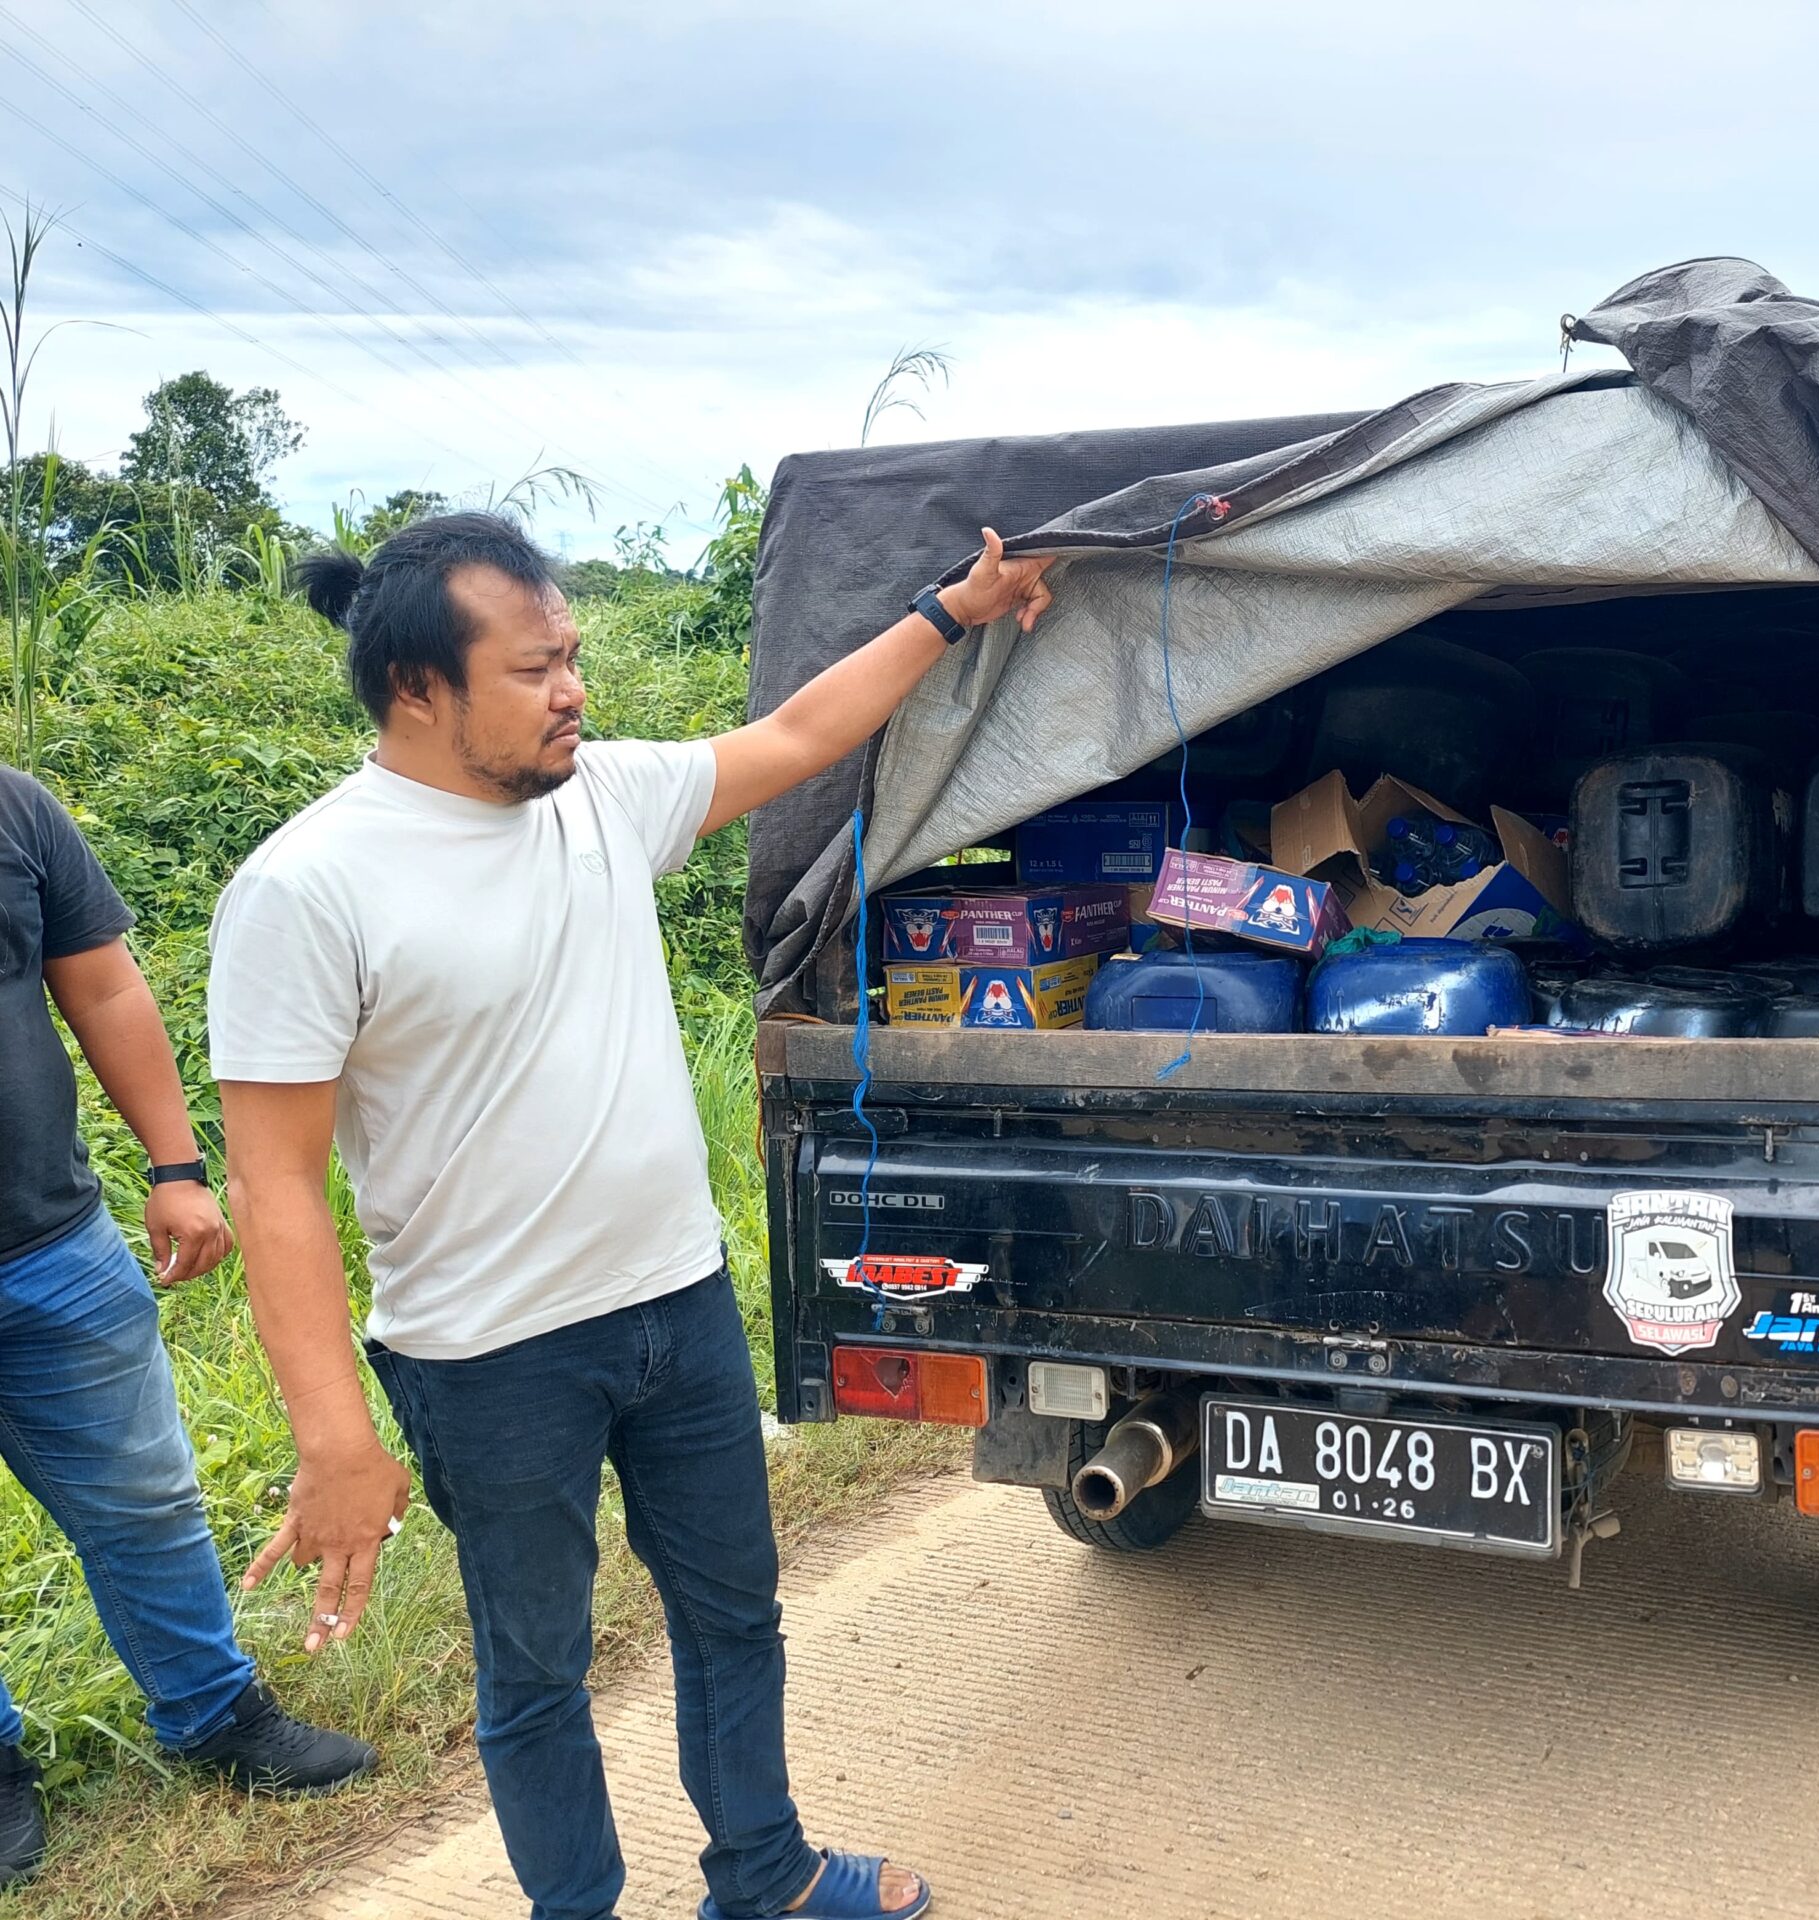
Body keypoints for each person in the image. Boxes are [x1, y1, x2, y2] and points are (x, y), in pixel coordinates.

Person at [210, 512, 1052, 1920]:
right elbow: (274, 1181)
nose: (573, 693)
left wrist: (951, 612)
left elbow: (794, 735)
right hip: (489, 1358)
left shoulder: (599, 796)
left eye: (574, 660)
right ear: (420, 687)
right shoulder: (307, 889)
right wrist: (331, 1433)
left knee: (735, 1615)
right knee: (536, 1675)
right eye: (536, 668)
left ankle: (764, 1877)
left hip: (676, 1303)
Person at [0, 767, 377, 1889]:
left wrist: (176, 1167)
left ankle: (215, 1715)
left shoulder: (15, 808)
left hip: (50, 1245)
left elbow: (103, 988)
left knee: (146, 1500)